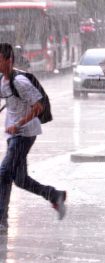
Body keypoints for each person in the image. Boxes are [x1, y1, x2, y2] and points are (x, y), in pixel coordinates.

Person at [0, 43, 66, 233]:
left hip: (24, 134)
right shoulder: (3, 81)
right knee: (20, 179)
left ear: (8, 60)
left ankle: (1, 220)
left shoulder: (20, 81)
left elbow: (38, 107)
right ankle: (54, 195)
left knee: (4, 173)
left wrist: (18, 124)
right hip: (13, 135)